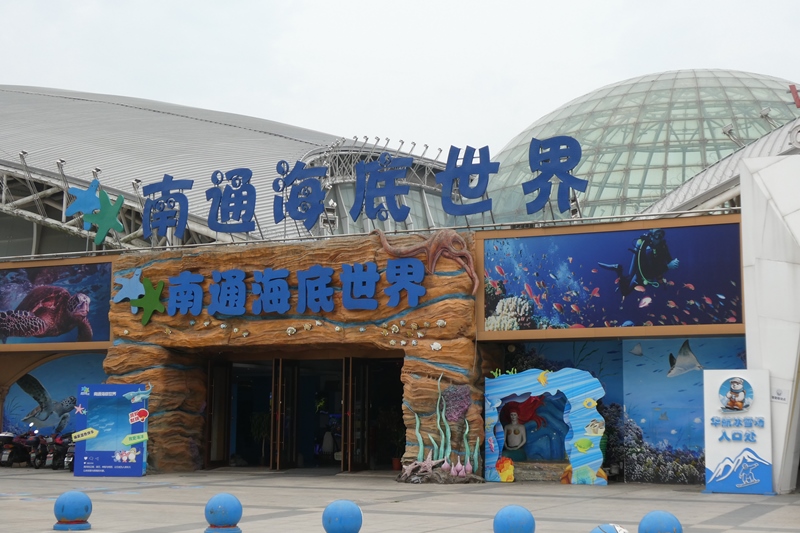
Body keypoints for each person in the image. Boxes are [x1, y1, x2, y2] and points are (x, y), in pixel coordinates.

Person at [598, 228, 679, 297]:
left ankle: (621, 278)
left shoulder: (663, 246)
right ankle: (618, 269)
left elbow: (668, 259)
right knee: (625, 292)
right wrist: (667, 267)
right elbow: (649, 270)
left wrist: (673, 262)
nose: (659, 237)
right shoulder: (648, 249)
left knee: (627, 280)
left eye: (661, 234)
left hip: (649, 275)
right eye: (657, 235)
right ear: (651, 235)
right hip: (640, 274)